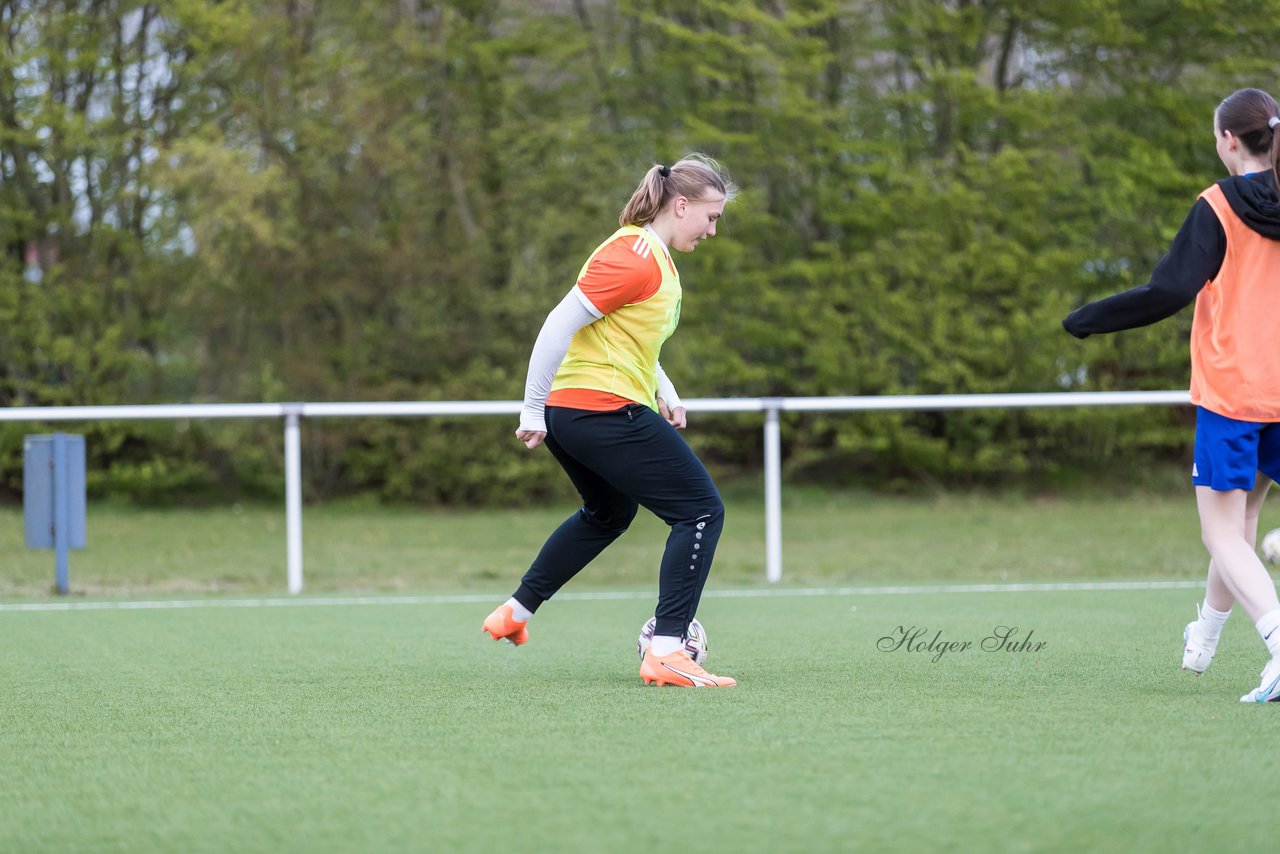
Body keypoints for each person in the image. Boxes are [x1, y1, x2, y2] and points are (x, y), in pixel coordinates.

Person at [482, 154, 738, 688]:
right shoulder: (635, 255)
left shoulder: (654, 258)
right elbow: (558, 325)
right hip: (598, 408)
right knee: (699, 511)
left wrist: (665, 392)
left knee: (608, 513)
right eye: (710, 217)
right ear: (682, 204)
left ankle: (516, 611)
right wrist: (530, 407)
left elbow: (629, 341)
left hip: (582, 408)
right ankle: (667, 649)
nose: (713, 230)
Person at [1063, 88, 1280, 703]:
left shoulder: (1218, 206)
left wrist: (1087, 318)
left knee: (1220, 535)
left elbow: (1167, 291)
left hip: (1234, 394)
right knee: (1242, 526)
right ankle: (1204, 638)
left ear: (1229, 141)